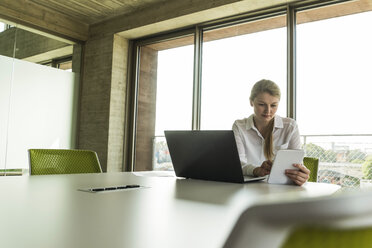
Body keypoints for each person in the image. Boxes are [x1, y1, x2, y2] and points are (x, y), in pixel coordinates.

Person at [232, 79, 310, 186]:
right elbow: (238, 165)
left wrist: (300, 175)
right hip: (248, 188)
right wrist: (256, 170)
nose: (268, 111)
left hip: (281, 188)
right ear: (251, 102)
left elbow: (297, 165)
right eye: (261, 104)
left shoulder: (290, 126)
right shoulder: (239, 127)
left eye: (273, 105)